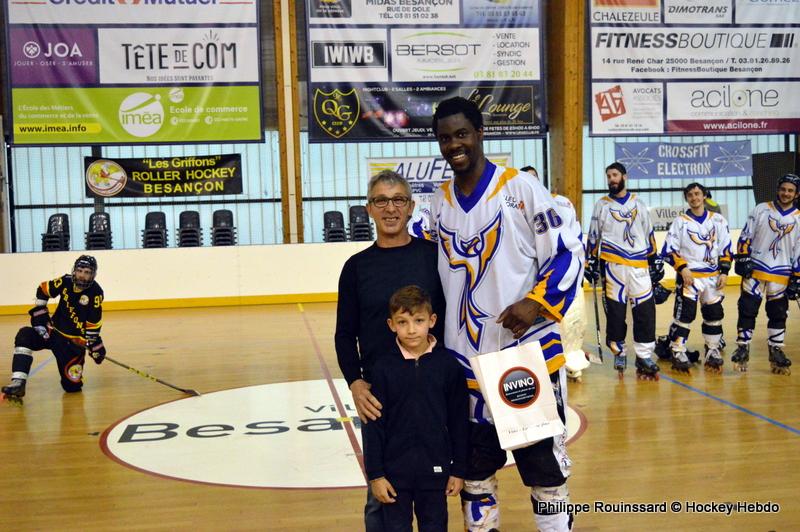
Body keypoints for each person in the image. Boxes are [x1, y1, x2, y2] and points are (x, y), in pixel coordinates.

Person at [427, 97, 583, 532]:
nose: (454, 145)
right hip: (463, 364)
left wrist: (536, 303)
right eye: (445, 138)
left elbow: (568, 253)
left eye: (462, 134)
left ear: (480, 133)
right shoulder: (438, 203)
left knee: (545, 474)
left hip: (522, 358)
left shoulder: (522, 189)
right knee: (475, 473)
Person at [335, 170, 446, 531]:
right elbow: (344, 334)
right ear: (369, 209)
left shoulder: (434, 258)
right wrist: (356, 383)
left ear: (411, 207)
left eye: (398, 199)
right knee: (381, 494)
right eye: (381, 201)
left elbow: (449, 321)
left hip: (430, 393)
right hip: (380, 398)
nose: (390, 208)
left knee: (432, 493)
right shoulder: (355, 268)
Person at [364, 285, 468, 532]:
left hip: (435, 473)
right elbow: (373, 427)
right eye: (403, 322)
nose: (411, 330)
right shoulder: (382, 368)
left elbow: (459, 422)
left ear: (432, 321)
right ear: (391, 325)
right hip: (394, 477)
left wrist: (459, 470)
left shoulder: (448, 366)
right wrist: (376, 475)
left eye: (419, 321)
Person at [585, 162, 662, 379]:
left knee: (645, 312)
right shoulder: (601, 205)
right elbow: (593, 235)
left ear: (624, 177)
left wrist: (654, 259)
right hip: (613, 267)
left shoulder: (639, 203)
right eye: (609, 176)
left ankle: (644, 356)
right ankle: (619, 351)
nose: (611, 179)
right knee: (616, 314)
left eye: (615, 175)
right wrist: (590, 261)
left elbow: (649, 233)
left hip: (639, 266)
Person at [1, 255, 106, 401]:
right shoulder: (65, 281)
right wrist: (40, 310)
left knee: (72, 387)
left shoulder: (95, 293)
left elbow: (93, 323)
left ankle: (72, 379)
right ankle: (18, 382)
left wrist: (94, 344)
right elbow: (43, 289)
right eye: (79, 270)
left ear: (93, 275)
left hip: (72, 344)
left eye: (87, 272)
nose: (82, 275)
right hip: (52, 332)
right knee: (25, 335)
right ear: (74, 270)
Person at [521, 165, 589, 382]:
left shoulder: (563, 203)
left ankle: (571, 360)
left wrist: (580, 266)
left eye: (534, 178)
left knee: (572, 320)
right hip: (532, 277)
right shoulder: (515, 205)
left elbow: (575, 236)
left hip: (561, 270)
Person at [731, 174, 800, 375]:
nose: (786, 193)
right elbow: (746, 235)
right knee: (747, 309)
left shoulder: (798, 218)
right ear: (778, 189)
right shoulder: (761, 209)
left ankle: (776, 349)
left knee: (778, 313)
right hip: (756, 269)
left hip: (782, 273)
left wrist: (797, 276)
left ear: (796, 194)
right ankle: (743, 347)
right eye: (783, 189)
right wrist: (742, 258)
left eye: (790, 190)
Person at [661, 183, 732, 373]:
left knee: (714, 315)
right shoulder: (680, 222)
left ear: (704, 195)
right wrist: (682, 269)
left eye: (697, 193)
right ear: (686, 198)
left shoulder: (718, 220)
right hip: (689, 278)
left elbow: (726, 248)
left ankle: (712, 349)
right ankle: (677, 350)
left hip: (713, 278)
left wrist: (725, 272)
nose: (694, 197)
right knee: (685, 315)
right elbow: (668, 250)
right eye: (690, 195)